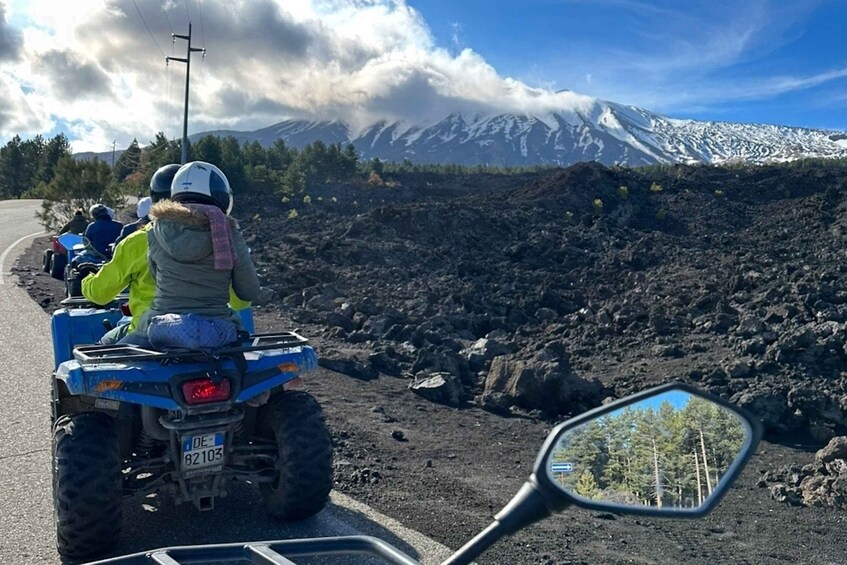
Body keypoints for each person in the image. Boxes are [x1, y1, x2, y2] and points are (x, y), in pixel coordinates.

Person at [120, 161, 260, 347]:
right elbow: (248, 292)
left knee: (105, 361)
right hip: (217, 329)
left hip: (159, 327)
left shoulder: (155, 231)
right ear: (221, 194)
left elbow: (155, 277)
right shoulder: (229, 233)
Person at [81, 165, 181, 344]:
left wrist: (86, 281)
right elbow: (240, 301)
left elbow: (99, 294)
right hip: (209, 334)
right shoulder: (217, 239)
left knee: (104, 345)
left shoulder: (139, 240)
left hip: (148, 332)